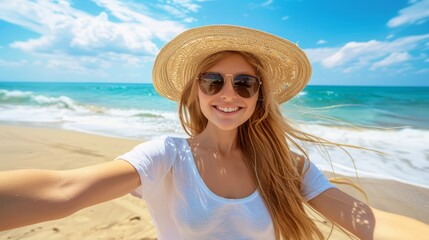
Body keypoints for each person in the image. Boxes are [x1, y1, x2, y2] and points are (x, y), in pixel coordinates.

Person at [0, 25, 428, 240]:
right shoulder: (165, 155)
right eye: (213, 81)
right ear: (196, 92)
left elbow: (368, 222)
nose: (229, 93)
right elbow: (64, 190)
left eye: (244, 83)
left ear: (259, 95)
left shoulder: (286, 166)